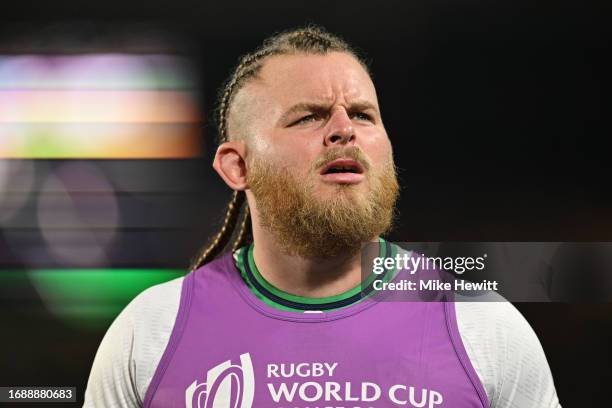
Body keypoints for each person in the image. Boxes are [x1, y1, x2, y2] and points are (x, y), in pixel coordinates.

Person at [84, 26, 561, 407]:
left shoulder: (482, 325)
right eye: (308, 117)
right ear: (238, 165)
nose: (343, 131)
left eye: (363, 114)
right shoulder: (150, 332)